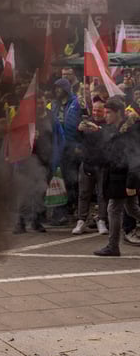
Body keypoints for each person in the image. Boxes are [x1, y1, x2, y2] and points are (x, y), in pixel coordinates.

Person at [87, 98, 140, 256]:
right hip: (115, 176)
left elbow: (135, 159)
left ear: (118, 113)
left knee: (114, 209)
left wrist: (131, 183)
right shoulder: (112, 129)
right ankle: (112, 246)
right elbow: (106, 153)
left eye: (109, 112)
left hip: (123, 178)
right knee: (132, 209)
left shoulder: (131, 131)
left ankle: (113, 246)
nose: (105, 115)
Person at [51, 78, 83, 224]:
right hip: (58, 147)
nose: (57, 90)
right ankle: (63, 209)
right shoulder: (54, 105)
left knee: (73, 178)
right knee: (60, 178)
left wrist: (79, 144)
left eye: (60, 88)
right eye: (55, 88)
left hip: (72, 146)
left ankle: (74, 206)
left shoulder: (76, 103)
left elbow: (80, 123)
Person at [75, 100, 109, 235]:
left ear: (104, 111)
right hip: (87, 162)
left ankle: (102, 220)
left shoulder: (108, 124)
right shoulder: (87, 121)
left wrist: (98, 130)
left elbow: (110, 137)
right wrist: (79, 130)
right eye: (94, 110)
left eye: (99, 111)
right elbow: (78, 139)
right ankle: (81, 220)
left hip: (103, 163)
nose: (95, 113)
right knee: (83, 193)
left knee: (102, 194)